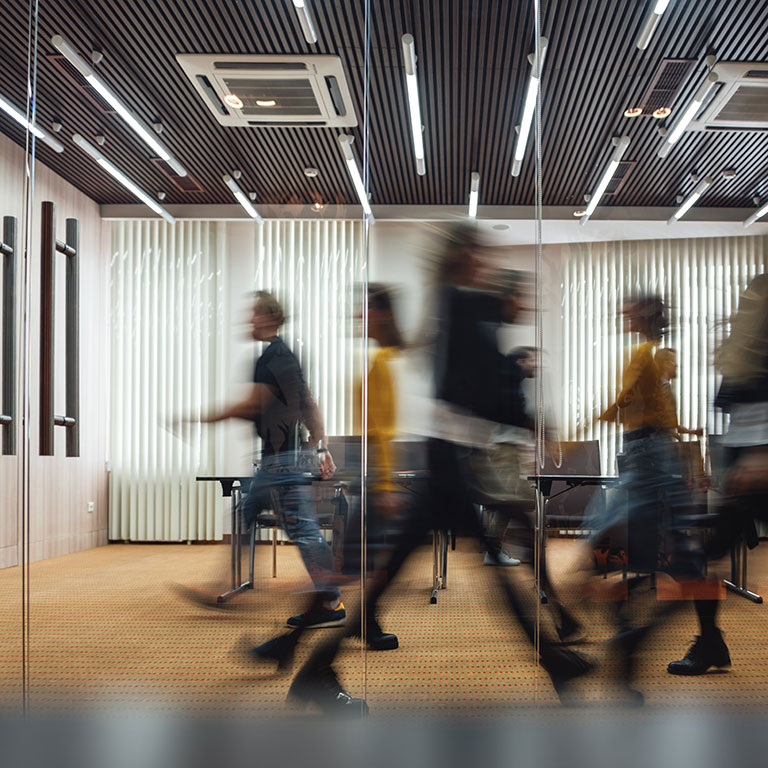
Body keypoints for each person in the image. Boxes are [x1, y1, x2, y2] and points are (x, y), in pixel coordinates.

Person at [273, 225, 591, 715]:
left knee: (399, 573)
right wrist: (527, 422)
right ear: (461, 255)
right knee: (435, 571)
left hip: (447, 460)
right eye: (477, 253)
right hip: (443, 462)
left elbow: (469, 374)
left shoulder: (452, 303)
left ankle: (313, 667)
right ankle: (552, 659)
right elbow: (474, 385)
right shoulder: (454, 304)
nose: (482, 262)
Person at [193, 291, 344, 629]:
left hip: (282, 461)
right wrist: (320, 448)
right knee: (245, 513)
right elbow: (309, 404)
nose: (250, 319)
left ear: (272, 318)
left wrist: (201, 419)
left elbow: (251, 405)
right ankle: (230, 584)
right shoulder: (286, 356)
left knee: (303, 530)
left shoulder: (273, 358)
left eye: (256, 314)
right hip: (283, 458)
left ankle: (331, 601)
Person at [666, 275, 768, 674]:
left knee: (703, 555)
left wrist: (760, 453)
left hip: (756, 460)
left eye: (751, 300)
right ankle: (710, 643)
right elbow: (735, 409)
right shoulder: (744, 350)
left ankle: (708, 644)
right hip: (742, 460)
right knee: (700, 555)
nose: (744, 306)